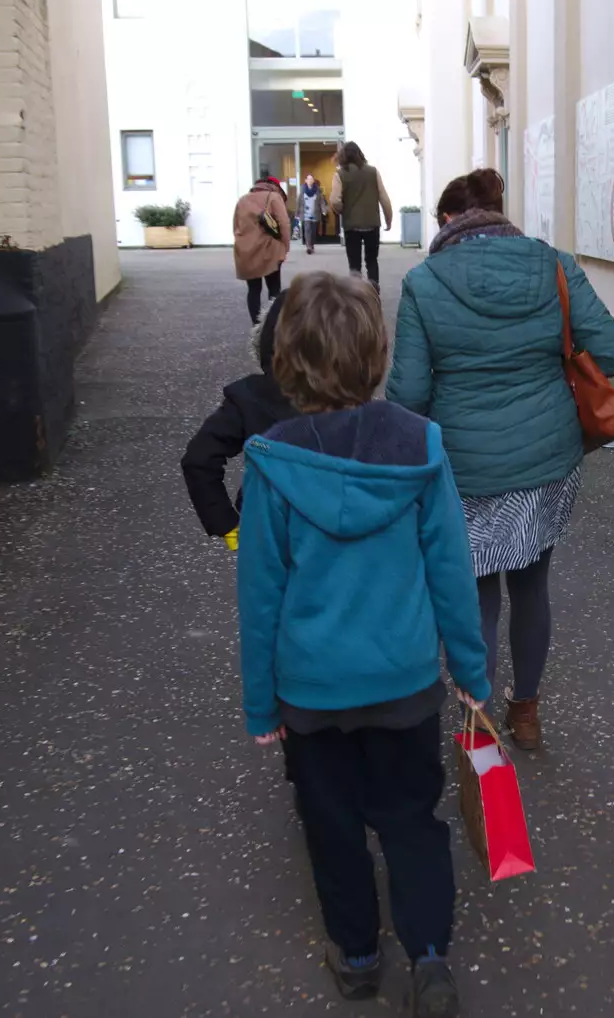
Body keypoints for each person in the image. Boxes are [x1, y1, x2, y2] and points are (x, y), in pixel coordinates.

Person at [238, 271, 491, 1017]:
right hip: (403, 682)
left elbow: (259, 596)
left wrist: (261, 705)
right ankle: (430, 957)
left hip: (312, 691)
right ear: (376, 353)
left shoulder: (272, 461)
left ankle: (355, 955)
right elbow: (451, 570)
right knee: (413, 819)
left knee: (332, 823)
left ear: (287, 359)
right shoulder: (420, 447)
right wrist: (471, 673)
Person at [387, 168, 614, 749]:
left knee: (475, 595)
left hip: (464, 468)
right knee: (531, 586)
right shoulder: (553, 265)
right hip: (546, 461)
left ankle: (480, 722)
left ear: (448, 220)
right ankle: (527, 714)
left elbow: (410, 396)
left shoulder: (425, 282)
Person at [180, 291, 297, 549]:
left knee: (267, 588)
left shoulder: (250, 397)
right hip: (333, 533)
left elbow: (199, 458)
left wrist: (226, 523)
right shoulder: (346, 399)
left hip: (264, 524)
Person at [330, 142, 392, 290]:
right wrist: (388, 219)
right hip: (372, 223)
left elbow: (334, 200)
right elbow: (384, 198)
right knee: (372, 261)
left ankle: (356, 297)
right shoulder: (373, 172)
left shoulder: (340, 174)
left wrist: (341, 210)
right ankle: (374, 295)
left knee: (355, 265)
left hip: (351, 226)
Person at [234, 174, 291, 324]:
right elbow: (284, 224)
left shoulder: (243, 200)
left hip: (246, 251)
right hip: (270, 249)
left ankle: (256, 326)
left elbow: (236, 226)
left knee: (253, 290)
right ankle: (272, 326)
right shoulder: (274, 197)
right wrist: (285, 247)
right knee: (274, 289)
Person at [299, 174, 327, 254]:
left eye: (311, 179)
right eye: (308, 179)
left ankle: (312, 244)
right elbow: (299, 202)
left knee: (314, 231)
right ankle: (308, 246)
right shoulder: (302, 190)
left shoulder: (317, 191)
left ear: (313, 181)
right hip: (306, 214)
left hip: (315, 214)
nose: (310, 180)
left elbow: (321, 202)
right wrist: (297, 213)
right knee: (307, 230)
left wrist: (323, 210)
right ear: (306, 181)